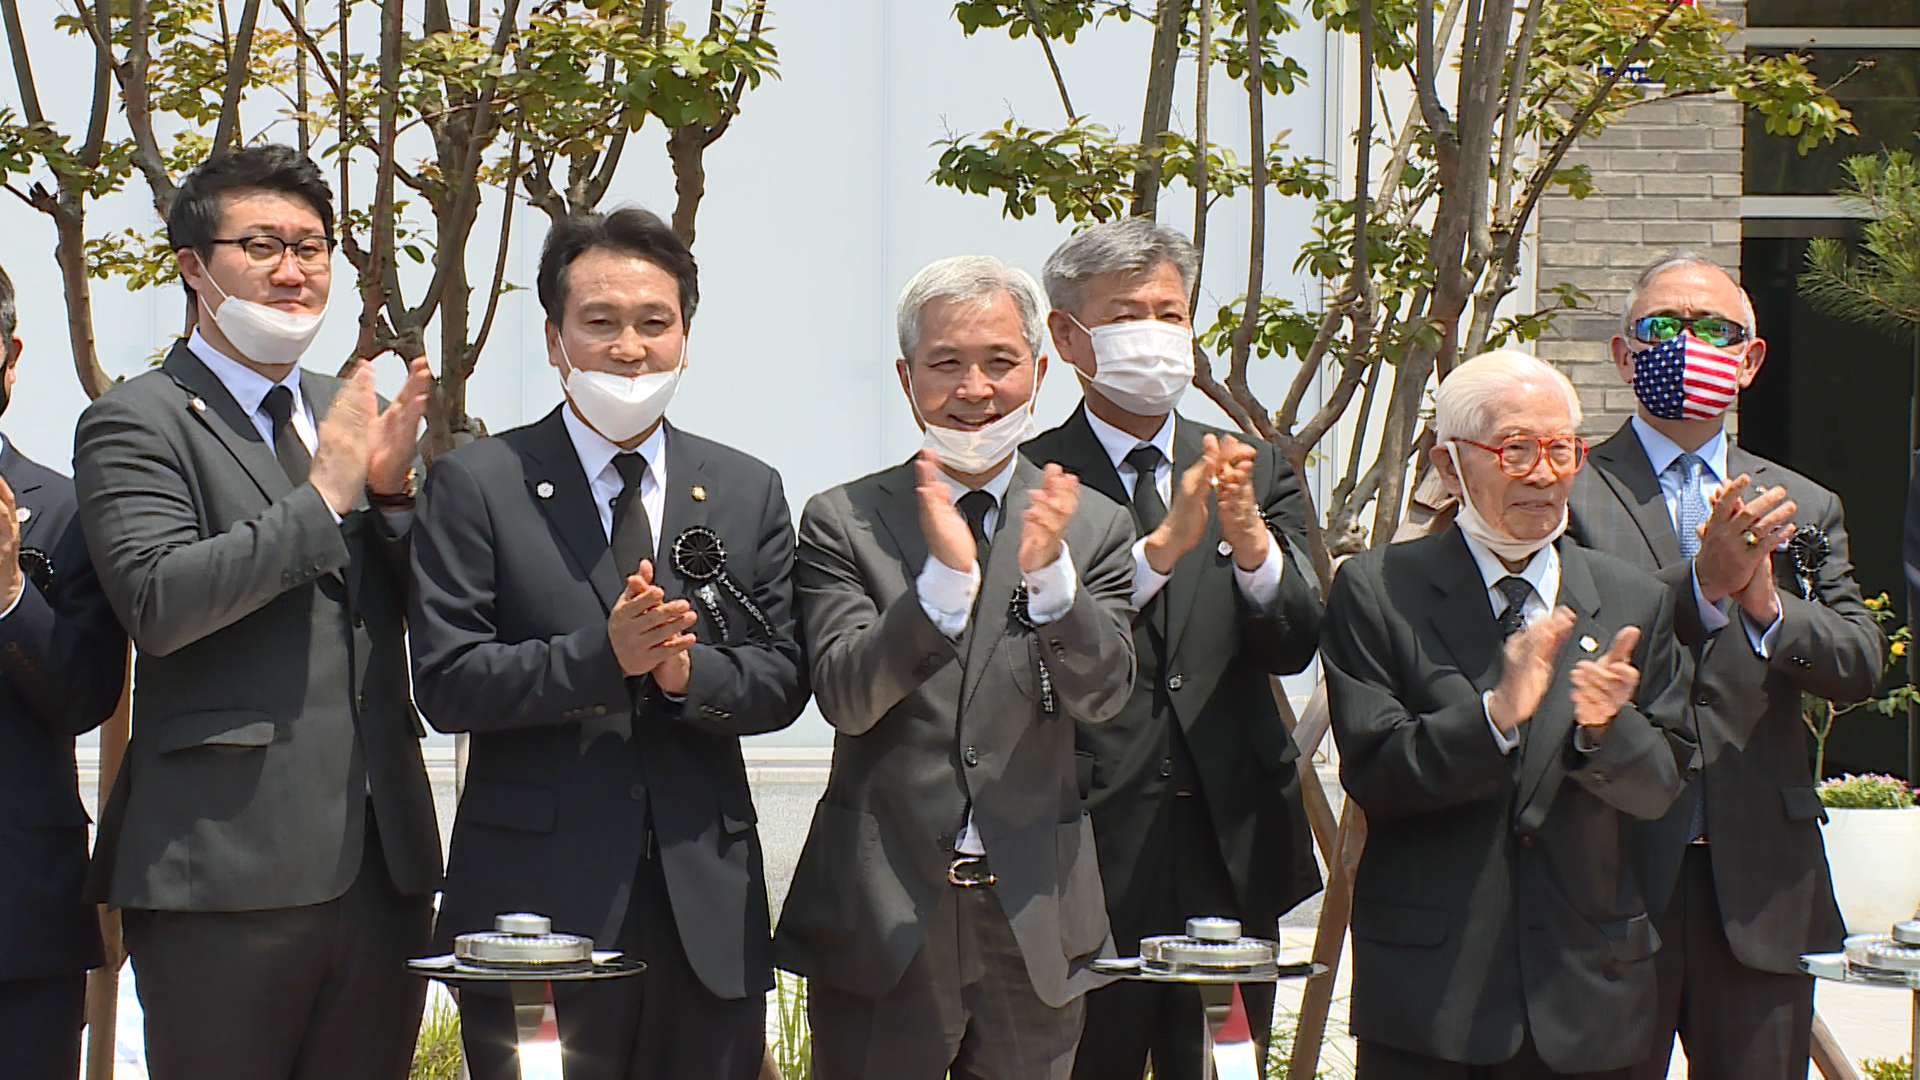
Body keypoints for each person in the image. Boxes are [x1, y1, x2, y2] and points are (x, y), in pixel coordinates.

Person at [410, 206, 808, 1080]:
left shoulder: (744, 487)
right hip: (534, 906)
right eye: (600, 323)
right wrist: (604, 656)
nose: (629, 347)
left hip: (702, 898)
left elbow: (780, 678)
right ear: (555, 340)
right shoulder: (478, 482)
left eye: (653, 323)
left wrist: (680, 672)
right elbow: (445, 680)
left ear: (685, 338)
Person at [73, 145, 441, 1079]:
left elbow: (435, 613)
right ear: (194, 268)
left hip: (379, 864)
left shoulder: (349, 408)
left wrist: (395, 501)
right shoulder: (137, 420)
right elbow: (158, 600)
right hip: (220, 870)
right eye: (263, 245)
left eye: (313, 247)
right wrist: (323, 497)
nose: (294, 270)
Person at [774, 255, 1137, 1079]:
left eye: (999, 362)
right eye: (946, 364)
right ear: (907, 379)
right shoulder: (845, 520)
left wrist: (1051, 581)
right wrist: (938, 587)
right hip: (884, 913)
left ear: (1039, 372)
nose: (974, 388)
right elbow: (846, 695)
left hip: (1035, 912)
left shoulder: (1093, 525)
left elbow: (1106, 693)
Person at [1322, 349, 1692, 1079]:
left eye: (1562, 450)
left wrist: (1606, 729)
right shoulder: (1378, 589)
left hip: (1590, 990)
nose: (1544, 473)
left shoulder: (1632, 600)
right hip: (1434, 992)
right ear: (1451, 466)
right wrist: (1495, 713)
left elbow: (1662, 791)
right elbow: (1376, 775)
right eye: (1515, 448)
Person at [1565, 253, 1885, 1079]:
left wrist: (1765, 606)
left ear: (1749, 360)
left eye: (1713, 330)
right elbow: (1573, 642)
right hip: (1610, 869)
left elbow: (1856, 662)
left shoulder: (1801, 504)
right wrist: (1702, 583)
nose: (1687, 344)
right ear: (1622, 353)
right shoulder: (1566, 491)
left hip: (1761, 882)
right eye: (1661, 328)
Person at [1021, 217, 1323, 1078]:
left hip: (1230, 848)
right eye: (1128, 314)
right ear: (1069, 335)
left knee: (1224, 1066)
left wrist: (1254, 548)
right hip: (1086, 849)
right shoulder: (1034, 477)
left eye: (1170, 313)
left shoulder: (1254, 467)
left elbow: (1296, 642)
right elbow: (1031, 648)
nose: (1155, 335)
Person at [0, 262, 128, 1079]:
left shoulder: (65, 509)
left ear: (9, 358)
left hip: (16, 922)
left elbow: (87, 695)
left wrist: (10, 590)